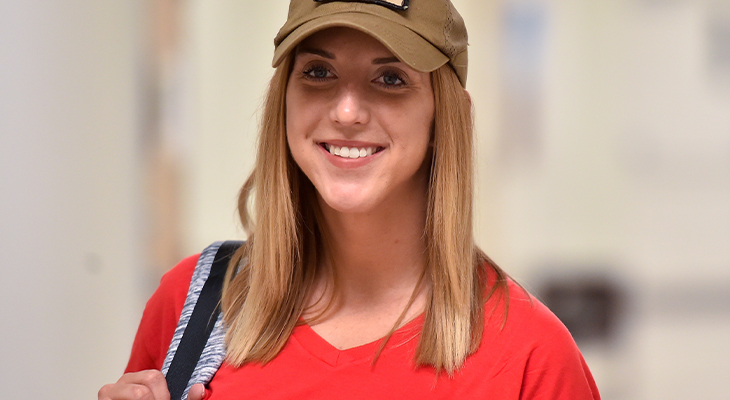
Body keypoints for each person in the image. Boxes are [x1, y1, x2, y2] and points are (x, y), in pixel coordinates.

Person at [98, 0, 600, 399]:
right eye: (318, 72)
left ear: (443, 116)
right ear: (284, 99)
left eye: (391, 78)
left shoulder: (531, 357)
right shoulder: (195, 305)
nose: (346, 110)